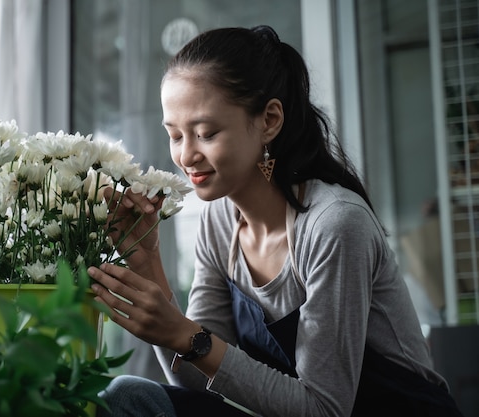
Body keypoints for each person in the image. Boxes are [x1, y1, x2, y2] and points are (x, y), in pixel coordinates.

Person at [88, 25, 463, 417]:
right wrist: (149, 269)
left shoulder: (334, 226)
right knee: (126, 395)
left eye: (205, 133)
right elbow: (200, 381)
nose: (186, 156)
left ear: (269, 120)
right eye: (175, 135)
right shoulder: (219, 222)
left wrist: (185, 334)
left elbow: (324, 409)